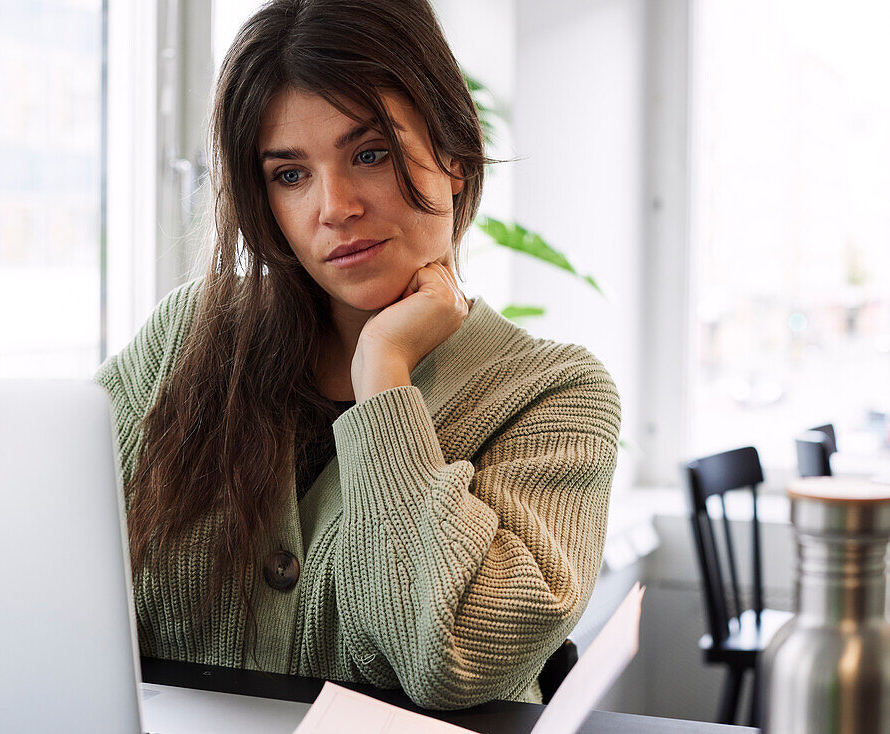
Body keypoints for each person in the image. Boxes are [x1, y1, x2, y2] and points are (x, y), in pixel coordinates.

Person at [95, 0, 620, 711]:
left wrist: (383, 373)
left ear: (456, 156)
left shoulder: (556, 395)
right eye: (290, 174)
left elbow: (452, 658)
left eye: (368, 154)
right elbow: (45, 562)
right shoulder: (187, 337)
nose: (333, 206)